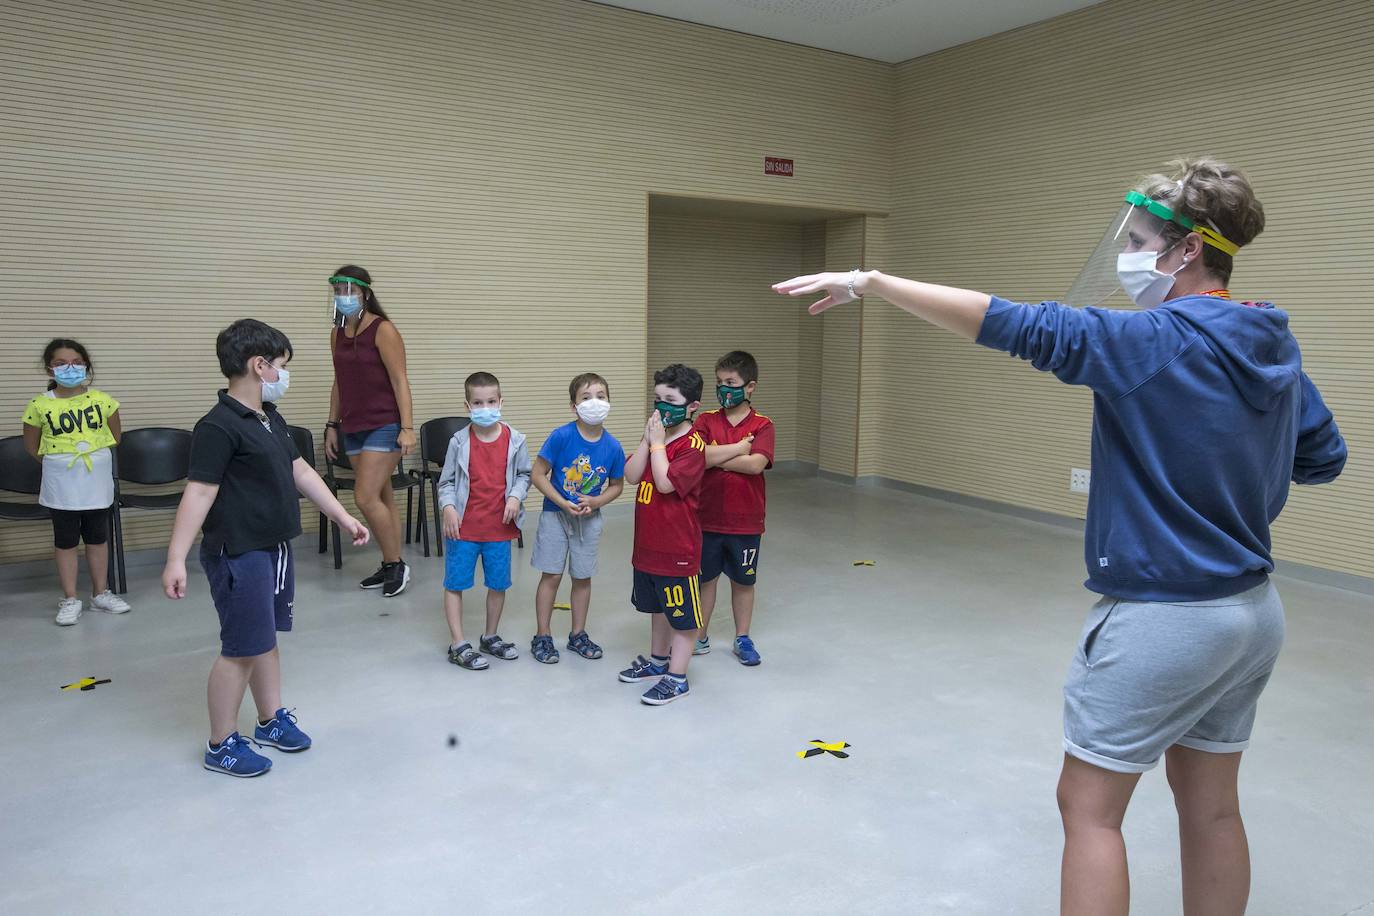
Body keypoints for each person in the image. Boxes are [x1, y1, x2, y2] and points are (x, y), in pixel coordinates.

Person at [774, 158, 1346, 916]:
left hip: (1163, 618)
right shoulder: (1272, 338)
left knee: (1089, 808)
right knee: (1210, 806)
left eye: (1140, 239)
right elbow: (1323, 460)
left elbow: (1015, 323)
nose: (1128, 253)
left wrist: (872, 283)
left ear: (1186, 252)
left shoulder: (1154, 340)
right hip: (1250, 614)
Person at [162, 319, 370, 778]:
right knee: (240, 648)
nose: (283, 375)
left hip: (273, 548)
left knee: (266, 638)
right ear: (259, 366)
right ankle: (220, 744)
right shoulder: (218, 426)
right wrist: (175, 556)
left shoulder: (269, 418)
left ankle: (269, 719)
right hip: (238, 553)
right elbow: (199, 492)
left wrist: (342, 515)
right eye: (280, 366)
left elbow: (301, 473)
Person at [21, 338, 131, 625]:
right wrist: (57, 464)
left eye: (76, 362)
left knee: (97, 537)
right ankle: (70, 598)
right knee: (66, 540)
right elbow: (32, 445)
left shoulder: (104, 401)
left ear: (86, 367)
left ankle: (100, 593)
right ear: (49, 370)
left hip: (96, 478)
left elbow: (115, 437)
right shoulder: (39, 404)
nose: (69, 368)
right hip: (62, 481)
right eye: (60, 363)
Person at [324, 265, 417, 597]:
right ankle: (391, 561)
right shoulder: (336, 333)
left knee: (364, 497)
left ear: (365, 293)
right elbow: (339, 382)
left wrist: (407, 428)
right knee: (381, 496)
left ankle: (396, 564)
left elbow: (399, 380)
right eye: (338, 291)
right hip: (353, 426)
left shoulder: (383, 329)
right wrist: (332, 425)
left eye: (350, 290)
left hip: (384, 424)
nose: (343, 297)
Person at [618, 364, 707, 705]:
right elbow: (631, 475)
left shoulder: (692, 446)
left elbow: (667, 483)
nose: (661, 406)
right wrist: (647, 439)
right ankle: (657, 662)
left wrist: (657, 445)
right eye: (657, 398)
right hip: (648, 548)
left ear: (691, 406)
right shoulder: (656, 438)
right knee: (658, 609)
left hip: (678, 549)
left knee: (682, 617)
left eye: (670, 400)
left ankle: (678, 677)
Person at [527, 373, 626, 664]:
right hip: (555, 516)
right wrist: (561, 502)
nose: (594, 402)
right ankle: (543, 635)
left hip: (589, 521)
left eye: (600, 396)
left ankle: (578, 634)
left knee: (582, 577)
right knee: (552, 574)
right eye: (586, 397)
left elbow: (617, 485)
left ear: (609, 402)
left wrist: (596, 502)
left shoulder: (613, 447)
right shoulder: (561, 436)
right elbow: (537, 474)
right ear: (574, 406)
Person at [437, 372, 532, 670]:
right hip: (463, 529)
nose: (485, 407)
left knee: (498, 584)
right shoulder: (459, 442)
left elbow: (524, 475)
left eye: (491, 401)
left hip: (498, 530)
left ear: (501, 401)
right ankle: (458, 643)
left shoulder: (515, 440)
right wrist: (448, 507)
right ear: (468, 405)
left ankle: (490, 636)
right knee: (455, 584)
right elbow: (446, 483)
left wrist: (516, 497)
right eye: (478, 402)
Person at [694, 350, 775, 664]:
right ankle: (698, 637)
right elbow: (698, 457)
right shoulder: (705, 420)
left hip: (746, 522)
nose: (724, 388)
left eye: (731, 382)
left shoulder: (763, 425)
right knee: (705, 580)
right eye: (719, 382)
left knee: (744, 581)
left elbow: (756, 465)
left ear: (750, 386)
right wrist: (737, 451)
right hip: (706, 518)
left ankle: (742, 638)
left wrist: (719, 455)